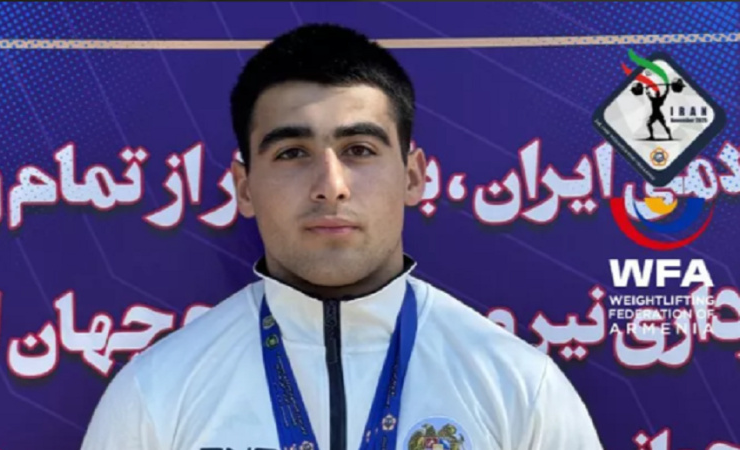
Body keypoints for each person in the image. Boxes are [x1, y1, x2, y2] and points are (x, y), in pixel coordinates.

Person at [81, 23, 603, 450]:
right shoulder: (156, 392)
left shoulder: (519, 386)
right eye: (292, 153)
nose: (330, 186)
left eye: (359, 150)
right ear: (244, 187)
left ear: (413, 177)